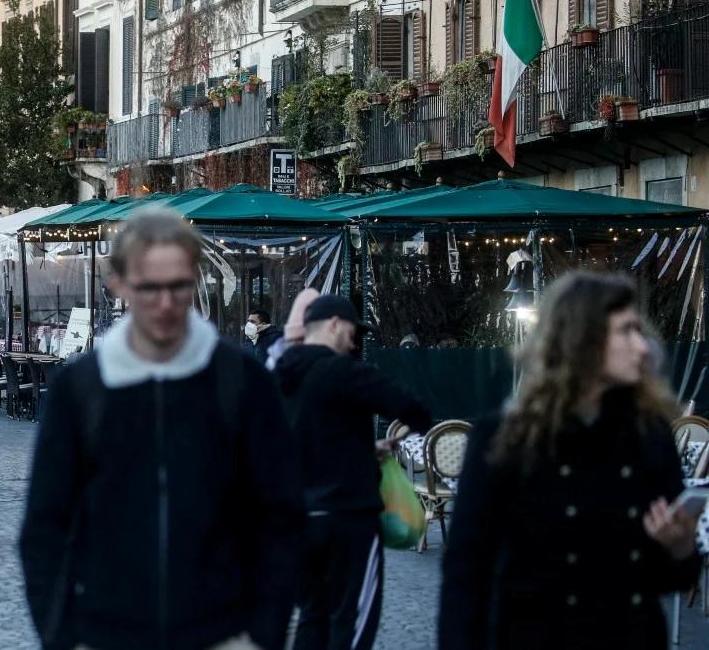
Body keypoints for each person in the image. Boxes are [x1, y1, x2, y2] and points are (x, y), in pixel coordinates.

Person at [20, 210, 304, 650]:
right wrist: (61, 637)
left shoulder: (242, 379)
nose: (166, 303)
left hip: (222, 633)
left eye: (178, 286)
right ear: (119, 283)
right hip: (106, 633)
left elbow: (280, 516)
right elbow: (45, 526)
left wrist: (263, 634)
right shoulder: (80, 389)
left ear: (194, 278)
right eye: (150, 287)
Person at [439, 272, 701, 649]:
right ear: (582, 339)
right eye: (626, 331)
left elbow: (671, 578)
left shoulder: (649, 434)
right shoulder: (504, 437)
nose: (643, 347)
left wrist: (679, 546)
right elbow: (466, 576)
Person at [274, 294, 432, 650]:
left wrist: (360, 447)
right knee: (351, 622)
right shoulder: (345, 371)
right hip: (348, 519)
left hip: (295, 520)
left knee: (312, 617)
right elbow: (415, 410)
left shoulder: (277, 376)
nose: (353, 340)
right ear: (332, 324)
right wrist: (385, 442)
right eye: (351, 331)